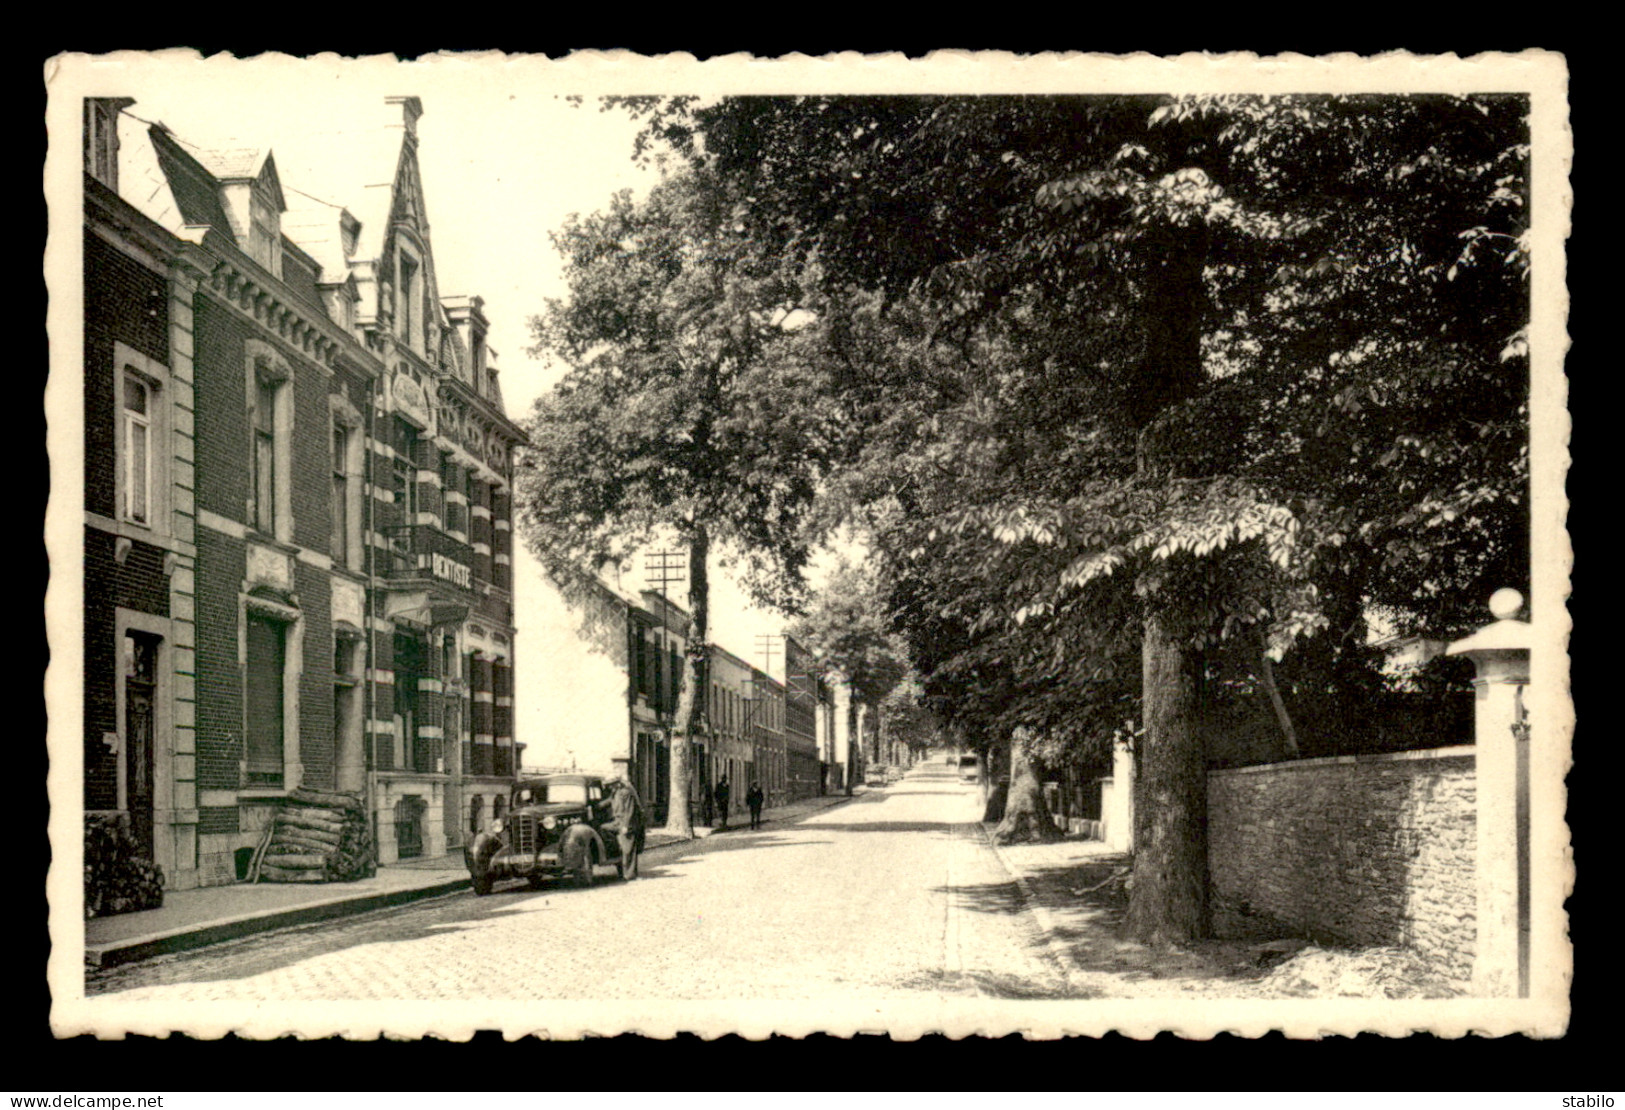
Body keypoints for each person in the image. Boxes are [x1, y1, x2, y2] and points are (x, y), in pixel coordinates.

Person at [606, 776, 645, 881]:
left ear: (617, 784)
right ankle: (614, 849)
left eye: (612, 784)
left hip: (627, 823)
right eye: (609, 785)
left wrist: (626, 826)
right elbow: (607, 802)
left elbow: (629, 811)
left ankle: (630, 875)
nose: (610, 787)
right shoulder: (615, 793)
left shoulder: (626, 793)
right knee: (603, 828)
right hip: (617, 821)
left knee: (628, 849)